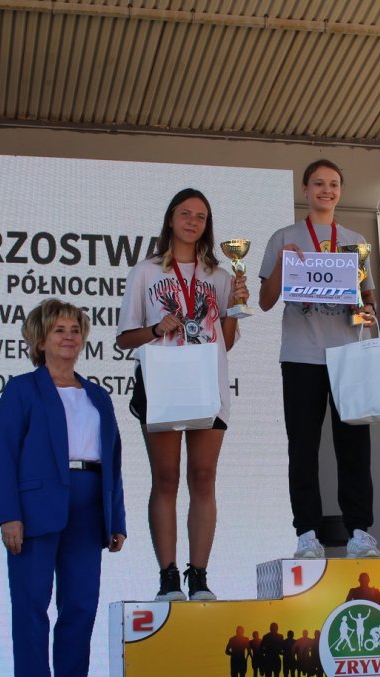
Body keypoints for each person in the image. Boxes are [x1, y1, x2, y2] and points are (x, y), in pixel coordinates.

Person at [0, 299, 127, 677]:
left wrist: (116, 518)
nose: (69, 337)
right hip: (36, 507)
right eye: (59, 330)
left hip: (89, 505)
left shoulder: (98, 395)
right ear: (40, 340)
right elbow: (3, 457)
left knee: (81, 603)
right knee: (31, 602)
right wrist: (9, 515)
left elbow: (113, 460)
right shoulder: (21, 389)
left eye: (75, 330)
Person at [116, 188, 246, 602]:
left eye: (201, 217)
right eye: (186, 214)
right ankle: (168, 576)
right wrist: (157, 329)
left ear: (208, 226)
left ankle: (200, 576)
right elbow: (124, 338)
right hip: (163, 384)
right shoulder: (145, 271)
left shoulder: (219, 276)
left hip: (208, 383)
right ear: (171, 219)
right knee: (167, 478)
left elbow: (225, 342)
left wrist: (235, 307)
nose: (193, 222)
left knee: (204, 477)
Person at [258, 159, 380, 559]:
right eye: (318, 184)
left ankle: (359, 532)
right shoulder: (284, 237)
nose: (326, 190)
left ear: (340, 191)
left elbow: (367, 300)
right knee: (303, 448)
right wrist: (284, 263)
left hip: (349, 356)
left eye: (333, 184)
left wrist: (366, 310)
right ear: (305, 190)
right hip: (301, 355)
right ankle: (307, 534)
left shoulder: (355, 240)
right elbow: (264, 301)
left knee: (354, 448)